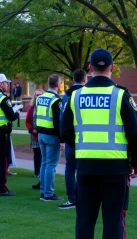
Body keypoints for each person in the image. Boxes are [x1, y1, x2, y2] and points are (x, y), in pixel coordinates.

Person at [62, 49, 137, 239]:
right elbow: (135, 133)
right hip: (115, 167)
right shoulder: (121, 95)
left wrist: (83, 145)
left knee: (84, 220)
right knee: (113, 220)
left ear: (89, 68)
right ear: (112, 68)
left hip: (85, 167)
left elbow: (65, 131)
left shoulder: (75, 96)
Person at [58, 69, 87, 210]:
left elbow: (63, 119)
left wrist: (64, 139)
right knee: (84, 168)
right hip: (86, 138)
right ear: (85, 79)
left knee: (70, 168)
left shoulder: (67, 95)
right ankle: (86, 198)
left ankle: (72, 198)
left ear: (73, 79)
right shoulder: (87, 93)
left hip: (71, 137)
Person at [36, 74, 63, 202]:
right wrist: (62, 139)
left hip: (41, 134)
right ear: (58, 85)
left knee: (44, 163)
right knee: (51, 165)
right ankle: (48, 193)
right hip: (52, 135)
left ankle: (43, 191)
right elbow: (58, 122)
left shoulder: (40, 98)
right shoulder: (56, 100)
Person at [25, 89, 44, 189]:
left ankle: (42, 173)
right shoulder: (32, 108)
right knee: (37, 154)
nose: (38, 97)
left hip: (43, 133)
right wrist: (31, 129)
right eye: (37, 95)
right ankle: (36, 172)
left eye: (40, 95)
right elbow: (27, 121)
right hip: (34, 134)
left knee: (43, 154)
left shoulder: (45, 107)